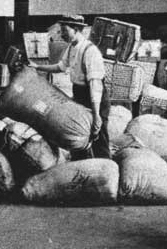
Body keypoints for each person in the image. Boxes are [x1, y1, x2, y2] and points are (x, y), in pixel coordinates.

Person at [31, 15, 111, 160]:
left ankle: (106, 169)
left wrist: (96, 114)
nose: (61, 34)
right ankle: (80, 168)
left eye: (64, 30)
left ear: (76, 29)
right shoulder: (71, 48)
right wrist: (38, 67)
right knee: (77, 135)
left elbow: (95, 86)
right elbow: (61, 67)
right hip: (79, 93)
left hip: (94, 97)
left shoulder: (90, 51)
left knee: (98, 137)